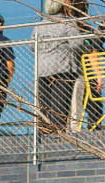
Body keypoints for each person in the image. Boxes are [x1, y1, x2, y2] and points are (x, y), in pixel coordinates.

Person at [33, 0, 87, 133]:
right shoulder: (67, 23)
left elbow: (32, 46)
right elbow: (77, 44)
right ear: (64, 8)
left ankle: (45, 137)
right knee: (60, 108)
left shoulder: (39, 26)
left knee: (45, 109)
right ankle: (59, 137)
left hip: (42, 70)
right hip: (63, 70)